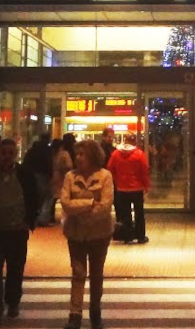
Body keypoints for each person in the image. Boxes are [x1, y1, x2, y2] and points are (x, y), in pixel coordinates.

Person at [0, 138, 39, 328]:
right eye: (3, 153)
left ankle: (12, 301)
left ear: (16, 154)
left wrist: (28, 221)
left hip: (17, 231)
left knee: (15, 269)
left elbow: (33, 197)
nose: (6, 157)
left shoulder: (25, 174)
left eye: (10, 153)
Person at [59, 139, 114, 329]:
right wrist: (90, 204)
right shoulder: (70, 177)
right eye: (77, 154)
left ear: (92, 156)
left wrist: (79, 211)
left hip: (100, 234)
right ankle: (75, 315)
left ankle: (95, 311)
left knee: (96, 274)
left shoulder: (105, 176)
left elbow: (106, 207)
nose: (78, 157)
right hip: (76, 234)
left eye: (82, 154)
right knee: (78, 273)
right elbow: (65, 203)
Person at [107, 134, 150, 244]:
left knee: (125, 213)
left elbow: (110, 168)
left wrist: (117, 180)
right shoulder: (139, 154)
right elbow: (144, 170)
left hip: (122, 188)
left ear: (125, 141)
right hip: (137, 188)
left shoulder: (116, 154)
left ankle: (128, 237)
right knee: (139, 212)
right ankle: (140, 236)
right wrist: (146, 185)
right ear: (134, 141)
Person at [23, 133, 55, 226]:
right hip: (43, 175)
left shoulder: (32, 150)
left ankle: (35, 216)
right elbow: (49, 163)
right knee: (47, 196)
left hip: (33, 175)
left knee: (37, 196)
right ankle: (43, 218)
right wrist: (51, 174)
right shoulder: (48, 150)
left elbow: (26, 162)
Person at [49, 135, 77, 224]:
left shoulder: (52, 153)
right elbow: (69, 166)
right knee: (66, 197)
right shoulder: (65, 153)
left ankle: (50, 216)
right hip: (63, 177)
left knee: (53, 197)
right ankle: (70, 216)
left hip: (54, 176)